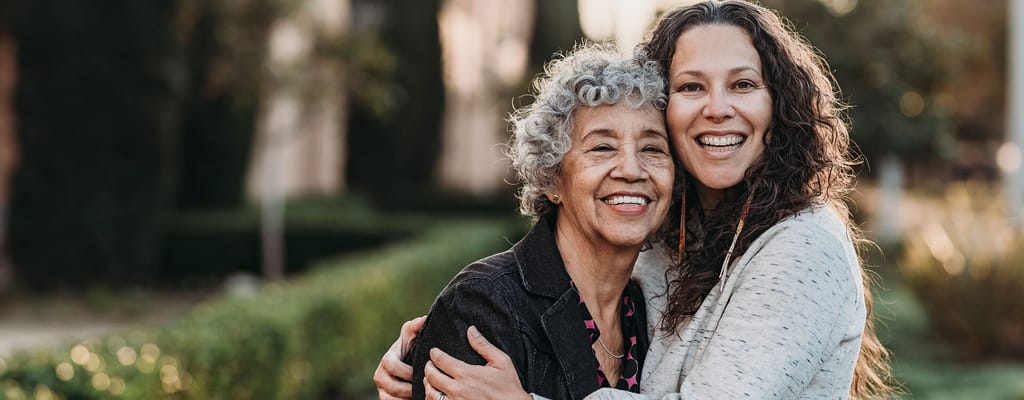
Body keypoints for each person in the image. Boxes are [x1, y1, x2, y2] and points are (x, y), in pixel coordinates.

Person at [374, 1, 894, 399]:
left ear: (778, 104)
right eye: (691, 87)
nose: (717, 109)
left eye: (742, 84)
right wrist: (423, 350)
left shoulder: (802, 244)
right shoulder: (664, 251)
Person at [395, 42, 676, 400]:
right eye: (602, 148)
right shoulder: (483, 306)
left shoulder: (651, 312)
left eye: (652, 149)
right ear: (552, 177)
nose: (632, 170)